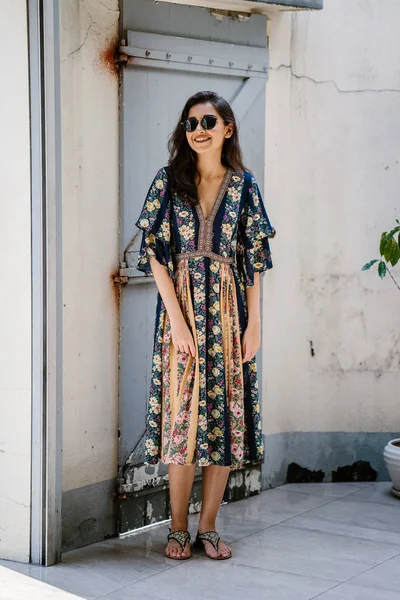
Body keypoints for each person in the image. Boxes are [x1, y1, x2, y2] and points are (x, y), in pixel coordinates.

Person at [135, 90, 276, 561]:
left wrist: (255, 325)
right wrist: (176, 322)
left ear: (227, 129)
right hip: (182, 316)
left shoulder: (244, 186)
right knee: (183, 420)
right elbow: (154, 253)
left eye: (209, 121)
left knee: (223, 421)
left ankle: (209, 527)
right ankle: (177, 527)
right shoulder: (168, 182)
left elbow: (254, 260)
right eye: (191, 122)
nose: (199, 129)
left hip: (231, 316)